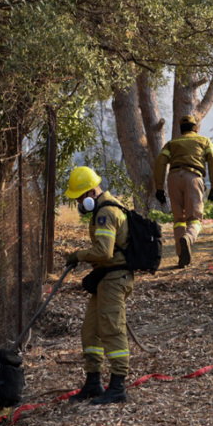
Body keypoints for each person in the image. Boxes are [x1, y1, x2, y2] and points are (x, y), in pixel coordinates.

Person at [64, 166, 134, 404]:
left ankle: (117, 386)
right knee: (91, 330)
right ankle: (93, 383)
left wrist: (79, 255)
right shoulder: (103, 210)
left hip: (115, 279)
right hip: (106, 279)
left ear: (91, 194)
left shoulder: (106, 213)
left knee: (112, 329)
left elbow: (104, 252)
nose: (79, 204)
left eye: (80, 198)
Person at [153, 114, 213, 268]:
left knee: (179, 220)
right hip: (193, 178)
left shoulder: (172, 143)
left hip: (173, 178)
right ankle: (189, 238)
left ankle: (181, 257)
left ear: (180, 129)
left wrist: (159, 187)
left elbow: (160, 163)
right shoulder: (204, 141)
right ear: (195, 128)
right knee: (195, 218)